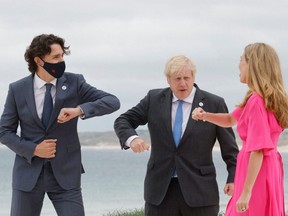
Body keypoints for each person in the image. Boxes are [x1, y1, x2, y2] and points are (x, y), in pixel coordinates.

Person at [0, 34, 120, 216]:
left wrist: (79, 110)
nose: (62, 61)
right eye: (56, 57)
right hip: (28, 174)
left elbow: (112, 101)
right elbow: (4, 131)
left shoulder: (75, 82)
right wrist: (33, 149)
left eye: (63, 56)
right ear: (39, 61)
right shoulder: (17, 89)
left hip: (66, 175)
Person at [114, 55, 239, 216]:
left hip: (200, 193)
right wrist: (132, 139)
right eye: (177, 78)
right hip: (160, 193)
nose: (183, 83)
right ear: (168, 80)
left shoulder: (214, 103)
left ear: (194, 77)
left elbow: (230, 149)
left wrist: (233, 178)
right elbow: (123, 120)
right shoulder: (153, 99)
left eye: (187, 78)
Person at [192, 43, 288, 215]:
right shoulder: (264, 98)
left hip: (256, 168)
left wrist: (246, 191)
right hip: (269, 165)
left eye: (241, 59)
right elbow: (230, 119)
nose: (239, 65)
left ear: (253, 65)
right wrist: (205, 115)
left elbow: (258, 149)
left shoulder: (256, 102)